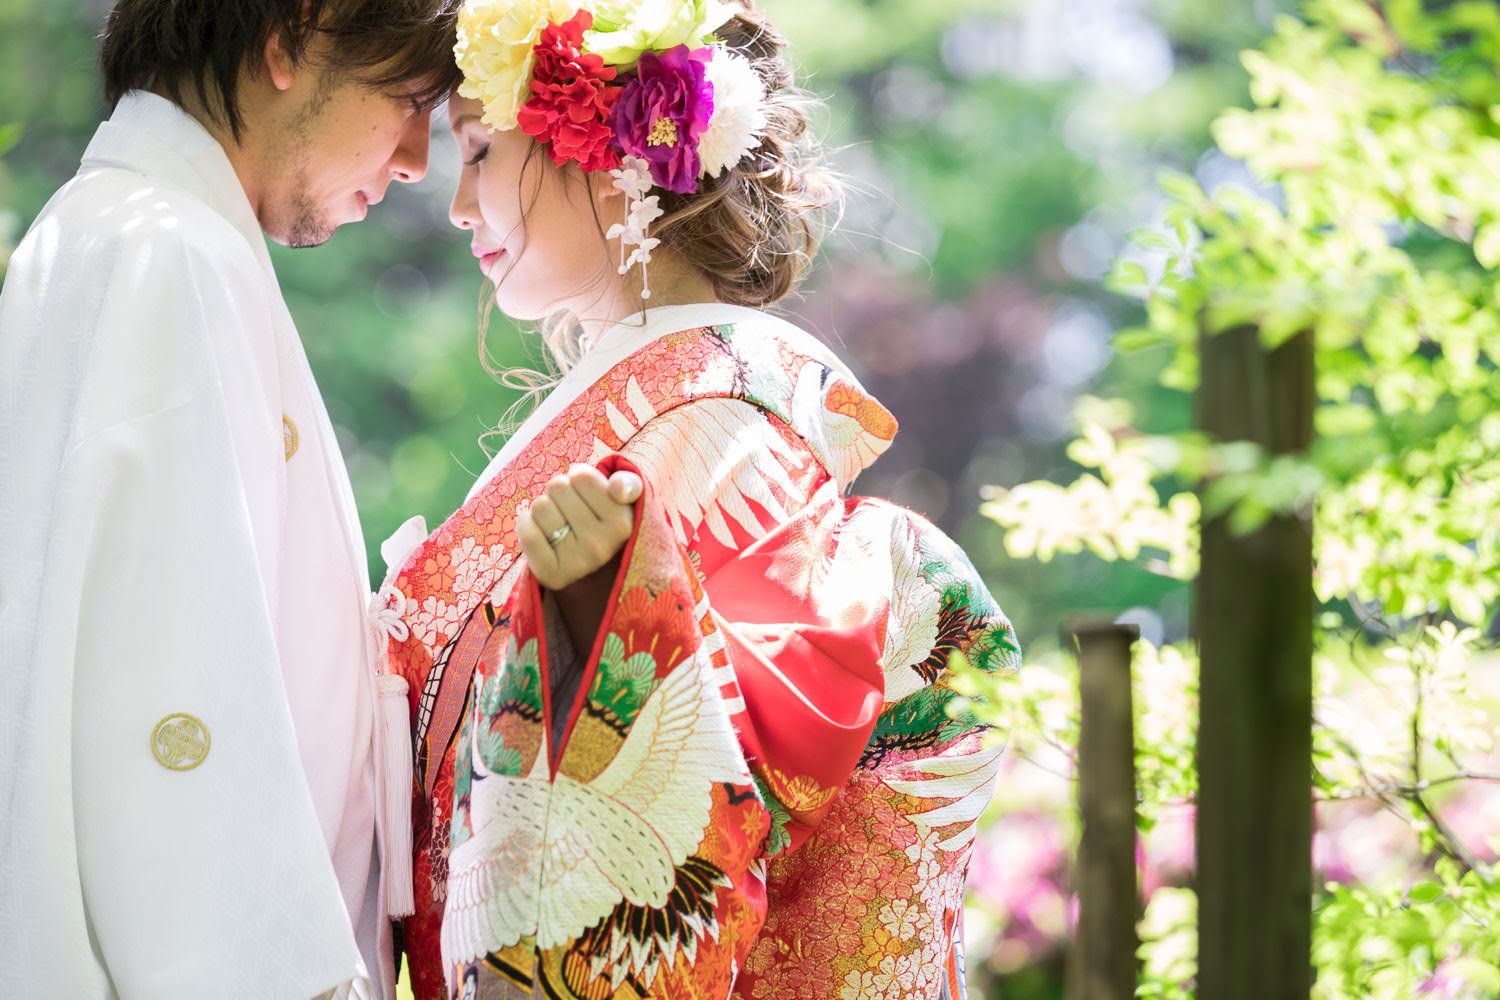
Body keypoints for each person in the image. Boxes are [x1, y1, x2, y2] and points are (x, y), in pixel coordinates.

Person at [373, 1, 1022, 996]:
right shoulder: (662, 389)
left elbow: (750, 764)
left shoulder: (711, 404)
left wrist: (596, 615)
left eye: (478, 152)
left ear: (601, 152)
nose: (459, 205)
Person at [0, 1, 459, 997]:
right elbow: (173, 736)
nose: (421, 155)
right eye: (408, 96)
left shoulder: (119, 232)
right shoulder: (164, 250)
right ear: (293, 36)